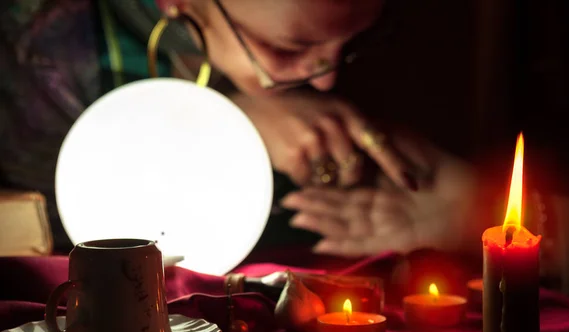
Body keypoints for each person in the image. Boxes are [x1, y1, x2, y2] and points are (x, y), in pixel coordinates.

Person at [0, 0, 417, 252]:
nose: (326, 80)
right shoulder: (46, 47)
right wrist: (224, 115)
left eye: (356, 40)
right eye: (290, 47)